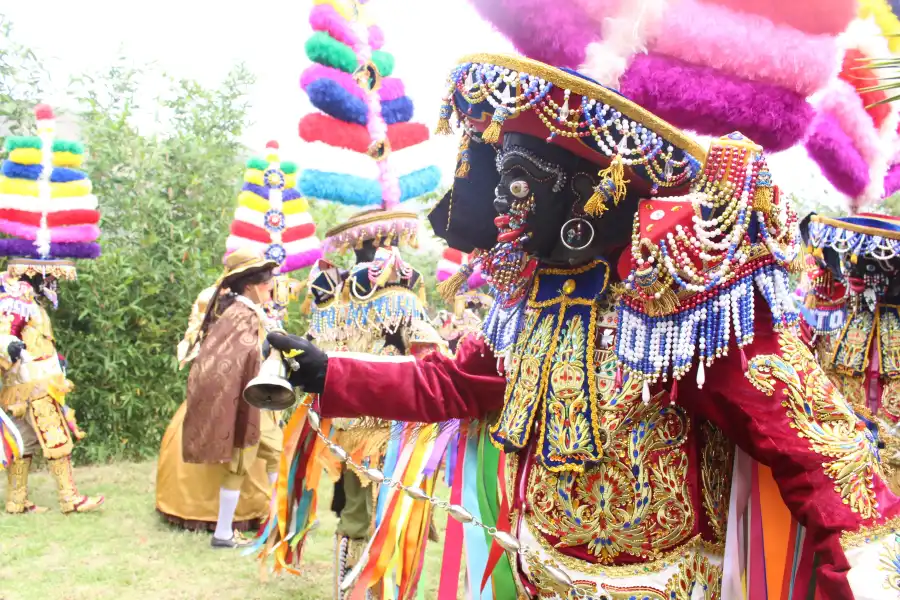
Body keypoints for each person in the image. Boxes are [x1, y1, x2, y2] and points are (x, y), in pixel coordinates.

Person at [267, 54, 900, 599]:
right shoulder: (526, 300)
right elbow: (455, 386)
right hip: (537, 569)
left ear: (587, 191)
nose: (500, 202)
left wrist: (868, 580)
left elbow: (817, 449)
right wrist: (330, 374)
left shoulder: (681, 300)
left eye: (519, 180)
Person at [180, 247, 282, 548]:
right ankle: (223, 533)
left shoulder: (248, 312)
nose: (271, 287)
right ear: (251, 285)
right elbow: (237, 357)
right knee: (241, 462)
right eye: (266, 282)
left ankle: (280, 521)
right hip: (248, 401)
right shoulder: (240, 315)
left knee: (276, 453)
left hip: (258, 399)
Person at [1, 262, 103, 514]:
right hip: (34, 386)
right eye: (47, 279)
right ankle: (70, 498)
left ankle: (17, 501)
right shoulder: (19, 296)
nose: (52, 285)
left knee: (23, 443)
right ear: (32, 276)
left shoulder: (31, 301)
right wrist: (8, 347)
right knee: (56, 439)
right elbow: (6, 330)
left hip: (27, 385)